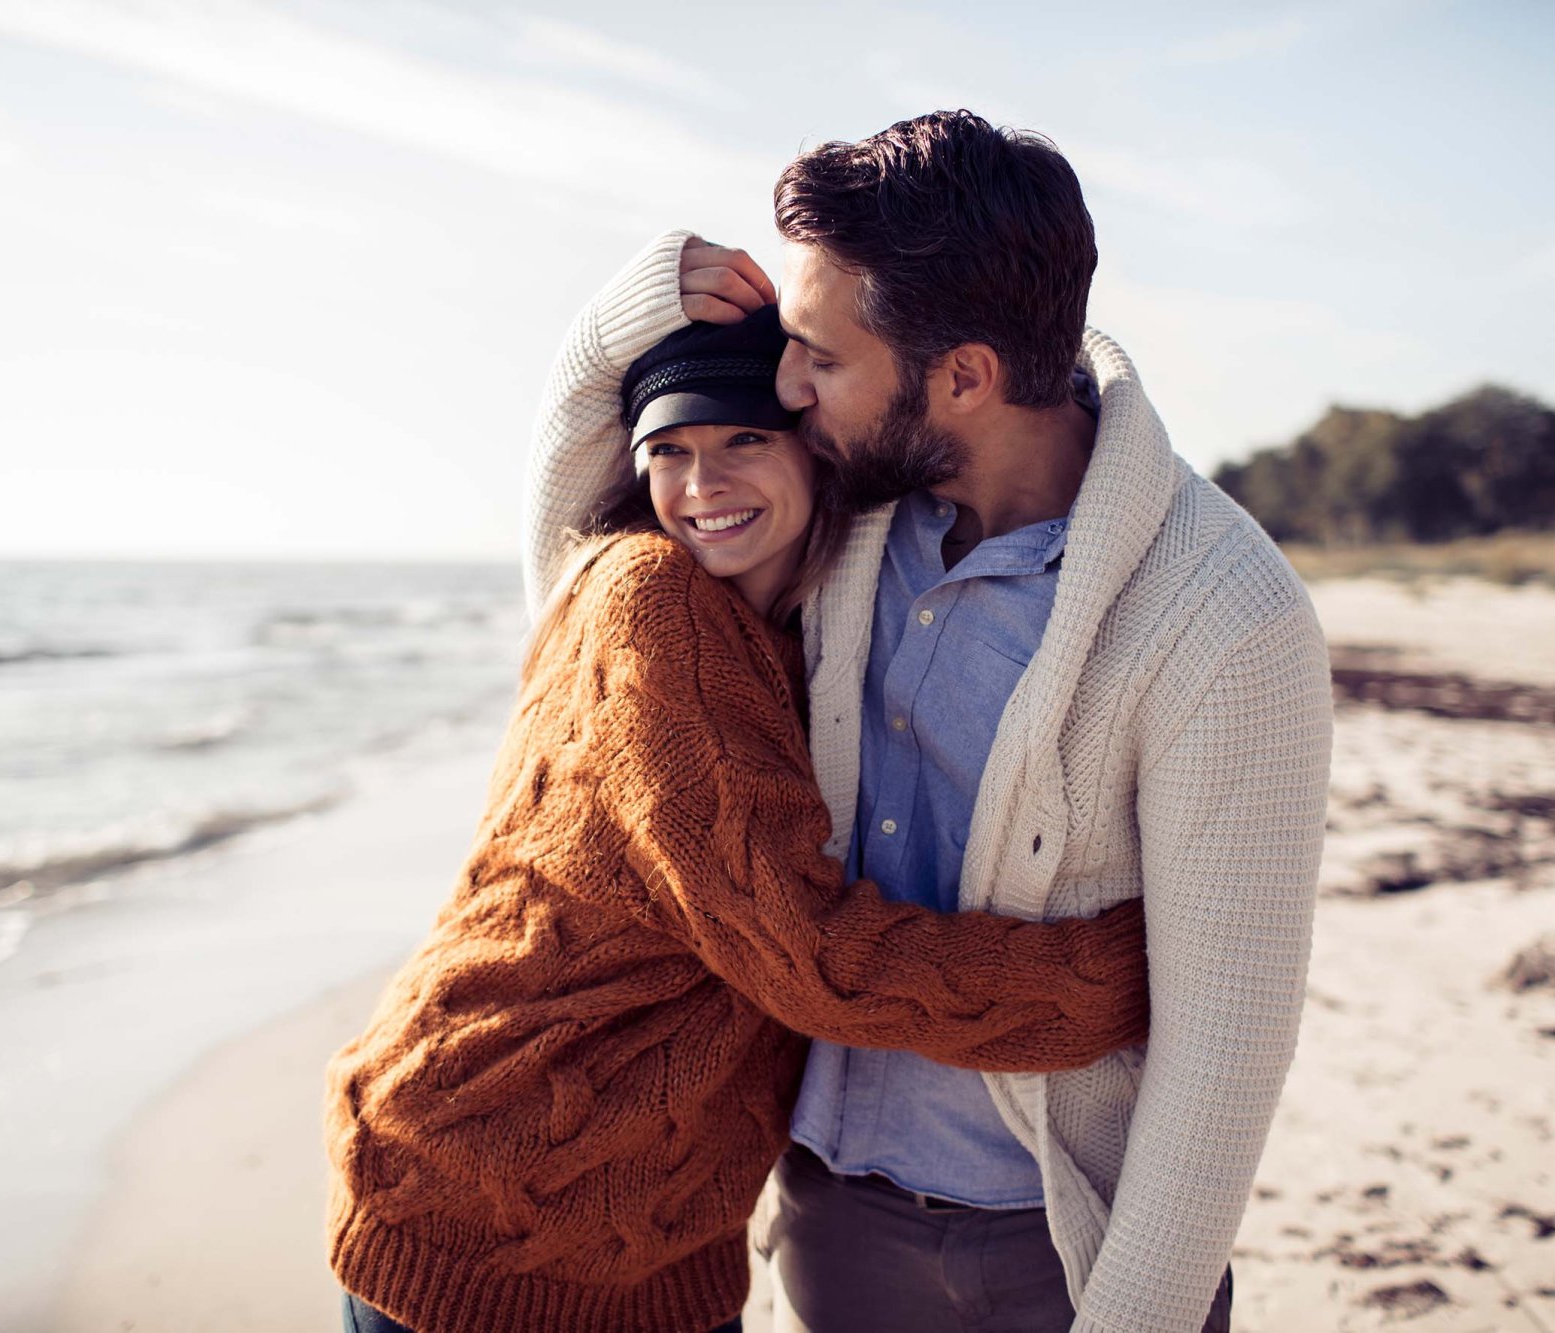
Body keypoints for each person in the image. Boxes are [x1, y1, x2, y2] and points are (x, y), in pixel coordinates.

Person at [527, 112, 1335, 1333]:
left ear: (962, 374)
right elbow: (584, 608)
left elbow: (1226, 1047)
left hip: (1062, 1249)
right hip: (831, 1218)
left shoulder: (1221, 616)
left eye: (819, 358)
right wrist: (598, 349)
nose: (786, 388)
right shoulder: (834, 518)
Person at [324, 261, 1156, 1333]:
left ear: (816, 448)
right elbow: (806, 957)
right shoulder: (649, 597)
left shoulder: (794, 625)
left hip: (649, 1239)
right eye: (665, 452)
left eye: (742, 441)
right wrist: (1120, 974)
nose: (699, 486)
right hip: (482, 1205)